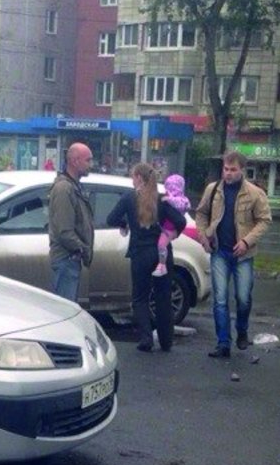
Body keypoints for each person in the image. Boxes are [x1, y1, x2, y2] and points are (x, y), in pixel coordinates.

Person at [195, 150, 272, 358]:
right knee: (220, 299)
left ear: (242, 170)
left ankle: (242, 330)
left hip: (243, 254)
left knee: (243, 297)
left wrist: (247, 241)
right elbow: (201, 213)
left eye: (233, 170)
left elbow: (264, 220)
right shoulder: (213, 190)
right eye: (225, 169)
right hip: (219, 251)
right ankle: (223, 343)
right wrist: (204, 236)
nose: (228, 174)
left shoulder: (254, 193)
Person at [106, 162, 187, 353]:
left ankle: (146, 339)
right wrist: (170, 235)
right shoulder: (161, 200)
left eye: (133, 176)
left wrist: (125, 223)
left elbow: (111, 219)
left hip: (140, 253)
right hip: (162, 255)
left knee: (140, 298)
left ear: (139, 178)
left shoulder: (129, 198)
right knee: (163, 297)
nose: (131, 180)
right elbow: (180, 221)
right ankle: (166, 342)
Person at [46, 142, 95, 303]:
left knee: (68, 307)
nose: (91, 165)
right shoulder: (63, 189)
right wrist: (82, 248)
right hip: (66, 260)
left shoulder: (74, 187)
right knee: (65, 311)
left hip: (71, 260)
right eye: (88, 160)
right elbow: (64, 231)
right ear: (75, 161)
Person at [155, 173, 191, 277]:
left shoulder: (180, 199)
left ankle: (162, 266)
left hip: (170, 227)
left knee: (161, 245)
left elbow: (183, 205)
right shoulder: (170, 197)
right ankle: (161, 265)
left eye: (169, 187)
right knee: (161, 245)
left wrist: (169, 199)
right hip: (167, 226)